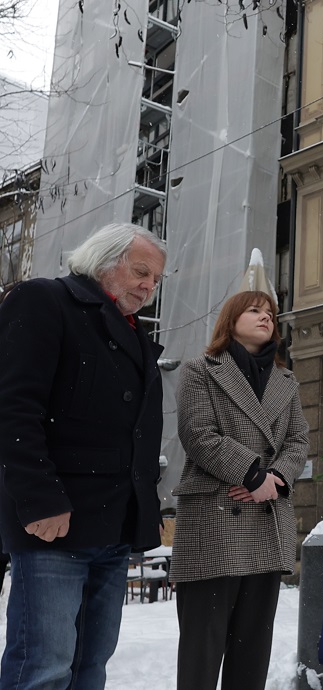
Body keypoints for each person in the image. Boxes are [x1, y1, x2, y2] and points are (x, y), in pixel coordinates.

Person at [0, 222, 167, 689]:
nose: (148, 287)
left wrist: (144, 509)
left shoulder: (135, 335)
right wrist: (38, 498)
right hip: (55, 524)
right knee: (44, 669)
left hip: (113, 527)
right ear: (103, 260)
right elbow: (12, 408)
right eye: (141, 272)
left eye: (155, 280)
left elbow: (137, 433)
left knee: (90, 667)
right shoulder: (44, 300)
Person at [170, 273, 308, 690]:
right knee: (201, 654)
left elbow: (298, 440)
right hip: (215, 521)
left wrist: (276, 478)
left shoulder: (286, 381)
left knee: (252, 654)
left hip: (267, 518)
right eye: (254, 310)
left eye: (270, 313)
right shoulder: (200, 370)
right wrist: (252, 473)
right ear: (230, 321)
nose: (266, 317)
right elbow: (198, 434)